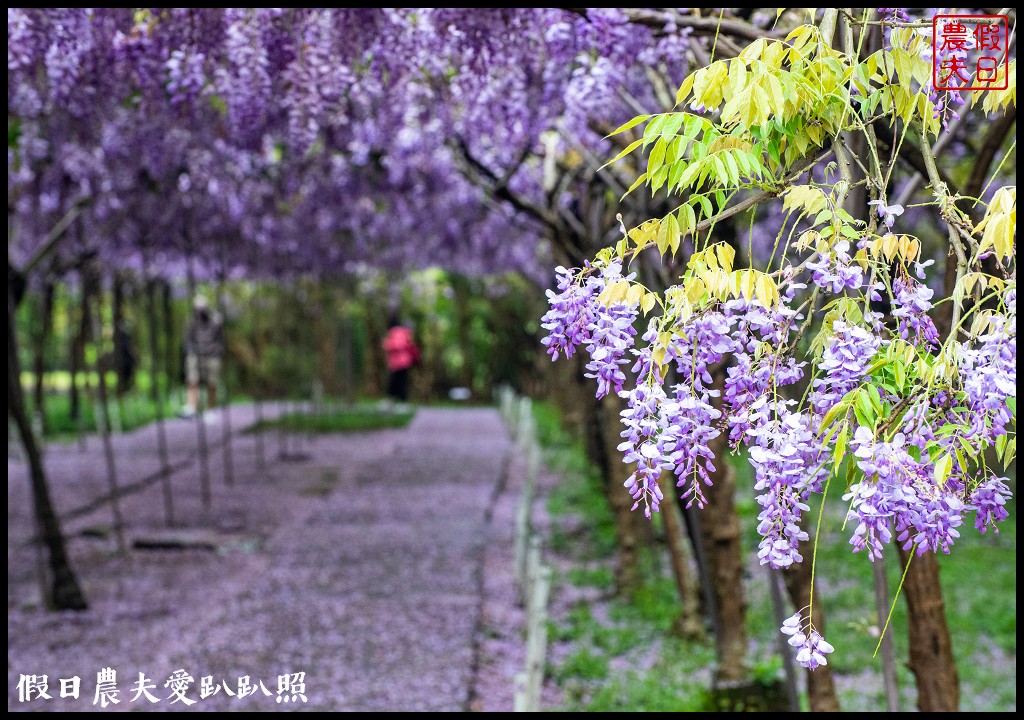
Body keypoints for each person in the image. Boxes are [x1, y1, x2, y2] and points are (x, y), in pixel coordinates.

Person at [181, 294, 224, 419]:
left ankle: (210, 410)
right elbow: (187, 339)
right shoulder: (191, 320)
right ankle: (191, 407)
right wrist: (191, 352)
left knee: (212, 383)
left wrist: (217, 351)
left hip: (212, 355)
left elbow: (221, 338)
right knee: (192, 380)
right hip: (195, 354)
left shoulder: (216, 320)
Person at [382, 314, 420, 407]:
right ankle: (399, 402)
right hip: (403, 362)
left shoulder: (396, 332)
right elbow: (405, 346)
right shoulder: (403, 333)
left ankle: (397, 403)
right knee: (399, 382)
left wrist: (386, 344)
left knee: (396, 383)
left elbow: (393, 345)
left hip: (398, 363)